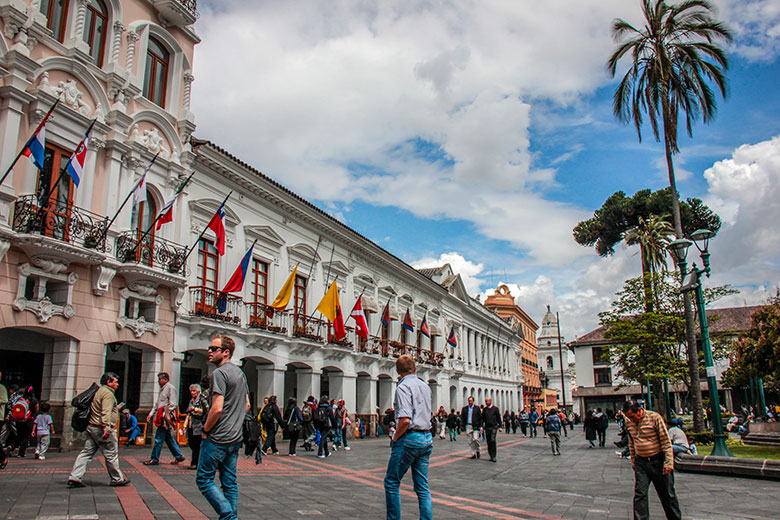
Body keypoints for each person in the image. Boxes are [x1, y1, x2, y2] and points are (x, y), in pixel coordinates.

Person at [197, 334, 250, 520]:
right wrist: (234, 420)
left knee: (204, 479)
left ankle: (229, 517)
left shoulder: (219, 373)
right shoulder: (240, 373)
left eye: (214, 349)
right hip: (235, 438)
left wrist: (205, 430)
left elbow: (217, 409)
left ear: (226, 352)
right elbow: (247, 405)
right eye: (209, 348)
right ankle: (231, 516)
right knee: (229, 482)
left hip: (217, 438)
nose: (209, 352)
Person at [384, 354, 433, 520]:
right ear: (415, 368)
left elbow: (404, 420)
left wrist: (395, 438)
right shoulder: (425, 386)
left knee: (392, 482)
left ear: (397, 370)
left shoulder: (402, 388)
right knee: (422, 487)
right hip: (426, 437)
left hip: (409, 438)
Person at [67, 372, 129, 488]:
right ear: (109, 382)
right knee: (111, 454)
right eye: (115, 382)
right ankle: (117, 479)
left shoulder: (99, 392)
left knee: (86, 453)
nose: (118, 384)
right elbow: (105, 411)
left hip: (92, 427)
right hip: (101, 428)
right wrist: (107, 427)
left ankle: (75, 477)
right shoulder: (108, 394)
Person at [623, 400, 681, 520]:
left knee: (667, 494)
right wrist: (633, 461)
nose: (631, 419)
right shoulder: (628, 422)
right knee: (640, 494)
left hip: (658, 460)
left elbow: (665, 441)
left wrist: (669, 462)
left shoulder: (654, 418)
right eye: (628, 417)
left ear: (639, 410)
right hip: (641, 462)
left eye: (632, 416)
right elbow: (631, 443)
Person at [144, 372, 185, 465]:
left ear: (165, 379)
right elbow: (157, 403)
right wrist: (151, 413)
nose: (159, 381)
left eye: (160, 379)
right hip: (160, 415)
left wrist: (164, 414)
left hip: (165, 417)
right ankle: (179, 456)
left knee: (159, 438)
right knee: (168, 438)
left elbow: (173, 403)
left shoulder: (170, 388)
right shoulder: (162, 389)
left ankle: (154, 458)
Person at [186, 383, 209, 469]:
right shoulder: (191, 400)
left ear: (198, 391)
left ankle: (195, 463)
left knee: (197, 444)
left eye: (194, 391)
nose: (192, 392)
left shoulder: (202, 400)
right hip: (192, 424)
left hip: (199, 425)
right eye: (191, 391)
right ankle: (197, 461)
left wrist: (195, 410)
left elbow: (206, 411)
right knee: (192, 443)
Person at [482, 397, 501, 462]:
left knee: (492, 440)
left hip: (494, 426)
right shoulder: (484, 409)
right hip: (487, 427)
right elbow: (482, 418)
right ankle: (491, 455)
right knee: (488, 441)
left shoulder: (495, 409)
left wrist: (500, 426)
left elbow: (498, 417)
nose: (486, 402)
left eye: (487, 401)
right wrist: (481, 426)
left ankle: (494, 456)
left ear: (490, 401)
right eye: (485, 401)